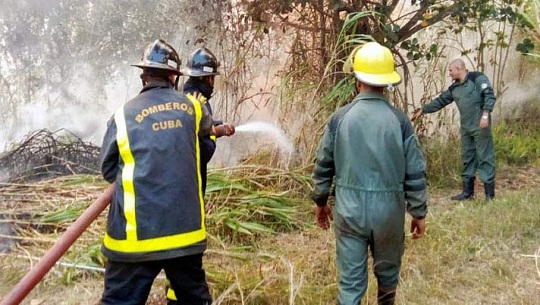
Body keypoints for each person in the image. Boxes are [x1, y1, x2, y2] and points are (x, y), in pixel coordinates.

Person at [100, 39, 222, 305]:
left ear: (144, 75)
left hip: (135, 240)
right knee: (192, 298)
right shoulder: (194, 108)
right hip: (185, 235)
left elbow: (109, 169)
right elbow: (202, 150)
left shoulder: (122, 116)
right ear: (173, 76)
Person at [311, 41, 428, 305]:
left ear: (357, 79)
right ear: (387, 82)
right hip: (389, 212)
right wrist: (418, 212)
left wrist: (321, 201)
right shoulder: (399, 121)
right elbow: (415, 172)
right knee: (388, 275)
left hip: (349, 211)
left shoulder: (340, 118)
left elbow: (323, 165)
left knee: (351, 284)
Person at [165, 47, 235, 304]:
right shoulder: (199, 101)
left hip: (180, 181)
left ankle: (176, 294)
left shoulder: (183, 95)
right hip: (191, 181)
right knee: (188, 245)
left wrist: (216, 129)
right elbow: (202, 148)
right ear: (208, 78)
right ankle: (181, 297)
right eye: (213, 77)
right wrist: (215, 136)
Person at [411, 59, 496, 201]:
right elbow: (441, 101)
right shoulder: (455, 88)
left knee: (484, 157)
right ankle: (468, 193)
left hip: (480, 124)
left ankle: (489, 195)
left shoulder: (477, 78)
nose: (449, 73)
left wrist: (486, 114)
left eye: (451, 70)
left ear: (458, 68)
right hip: (466, 127)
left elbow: (489, 95)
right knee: (467, 157)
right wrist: (423, 110)